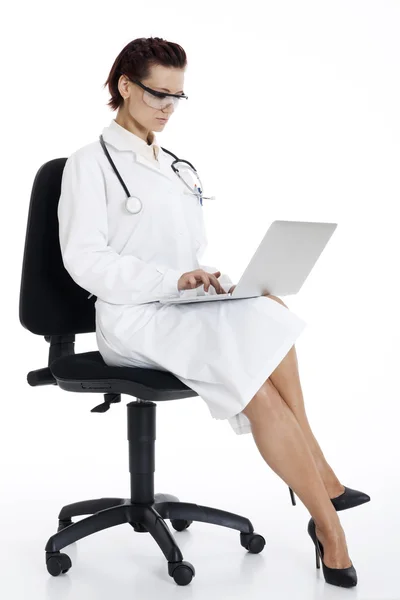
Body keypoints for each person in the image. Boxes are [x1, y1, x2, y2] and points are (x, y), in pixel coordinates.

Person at [57, 36, 369, 587]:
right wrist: (170, 280)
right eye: (158, 93)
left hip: (180, 307)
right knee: (253, 380)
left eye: (178, 97)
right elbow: (85, 262)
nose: (167, 107)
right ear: (125, 87)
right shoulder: (89, 165)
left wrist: (215, 283)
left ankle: (314, 468)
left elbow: (185, 257)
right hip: (133, 319)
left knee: (269, 309)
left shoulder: (176, 166)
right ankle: (329, 526)